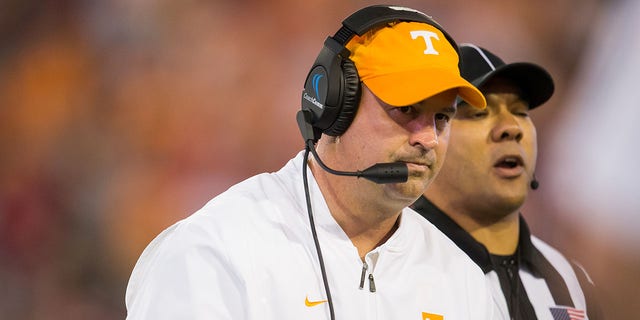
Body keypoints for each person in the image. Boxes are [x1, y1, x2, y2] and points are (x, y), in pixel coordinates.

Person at [125, 5, 497, 320]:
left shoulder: (463, 280)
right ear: (334, 104)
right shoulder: (215, 252)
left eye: (442, 119)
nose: (428, 138)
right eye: (405, 109)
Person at [412, 43, 602, 320]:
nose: (511, 128)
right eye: (479, 113)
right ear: (428, 140)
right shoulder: (386, 266)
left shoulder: (566, 278)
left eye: (520, 112)